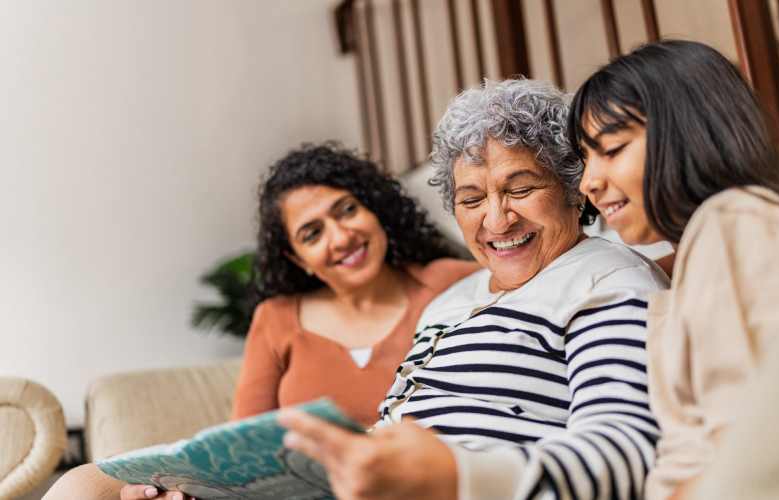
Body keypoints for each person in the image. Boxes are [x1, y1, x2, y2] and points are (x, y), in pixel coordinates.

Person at [278, 79, 669, 500]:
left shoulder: (606, 281)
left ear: (574, 189)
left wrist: (457, 475)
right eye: (471, 200)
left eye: (520, 189)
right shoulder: (449, 304)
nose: (498, 221)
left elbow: (624, 454)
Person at [43, 143, 478, 500]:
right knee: (81, 487)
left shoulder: (450, 284)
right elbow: (237, 446)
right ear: (297, 259)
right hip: (295, 491)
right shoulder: (277, 318)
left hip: (411, 484)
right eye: (312, 233)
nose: (341, 237)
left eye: (347, 210)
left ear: (375, 209)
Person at [567, 40, 779, 500]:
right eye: (585, 157)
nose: (588, 182)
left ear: (689, 134)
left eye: (611, 149)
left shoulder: (733, 222)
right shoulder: (709, 245)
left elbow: (756, 441)